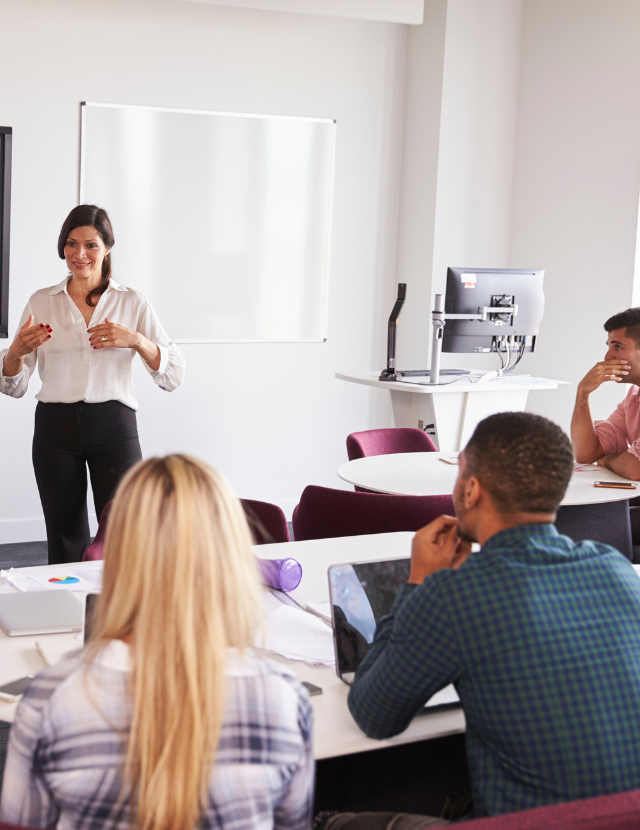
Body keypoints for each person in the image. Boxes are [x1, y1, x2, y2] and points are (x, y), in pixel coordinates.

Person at [317, 413, 640, 830]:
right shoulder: (614, 568)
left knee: (333, 821)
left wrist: (419, 583)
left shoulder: (455, 594)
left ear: (471, 489)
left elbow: (373, 714)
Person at [0, 454, 314, 830]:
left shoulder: (51, 698)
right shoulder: (284, 699)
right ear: (231, 558)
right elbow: (292, 823)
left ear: (117, 558)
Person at [0, 205, 185, 564]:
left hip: (114, 427)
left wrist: (135, 340)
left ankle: (126, 615)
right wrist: (14, 354)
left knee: (126, 531)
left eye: (91, 245)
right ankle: (70, 612)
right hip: (55, 429)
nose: (79, 254)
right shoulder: (42, 301)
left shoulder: (132, 302)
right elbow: (15, 385)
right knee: (64, 535)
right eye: (71, 244)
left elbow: (174, 375)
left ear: (107, 248)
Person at [571, 307, 640, 479]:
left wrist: (607, 460)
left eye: (618, 346)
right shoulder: (633, 397)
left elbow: (634, 469)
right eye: (609, 346)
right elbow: (586, 454)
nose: (607, 356)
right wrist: (582, 394)